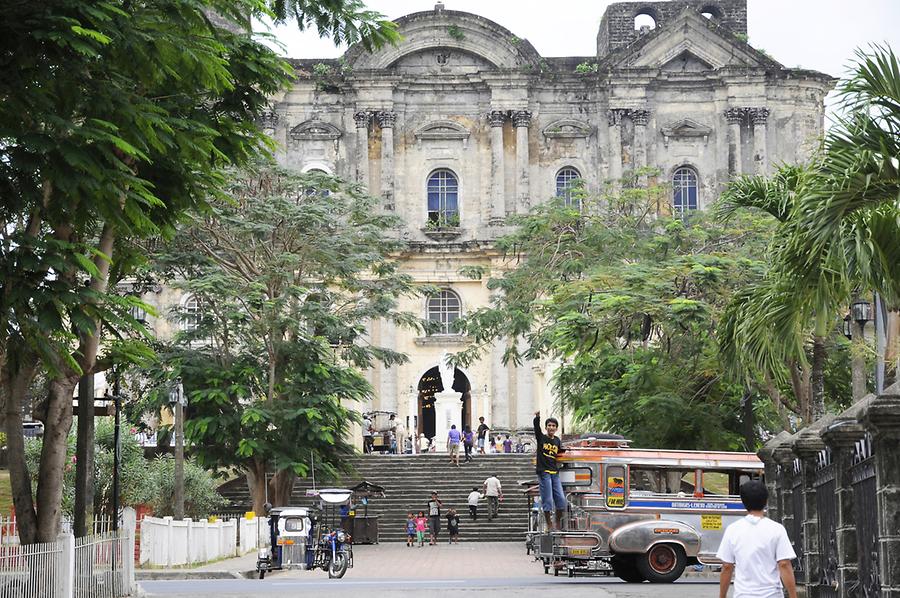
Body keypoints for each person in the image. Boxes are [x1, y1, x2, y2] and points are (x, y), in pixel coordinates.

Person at [716, 480, 797, 598]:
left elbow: (727, 567)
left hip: (743, 594)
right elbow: (784, 564)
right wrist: (793, 596)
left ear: (743, 502)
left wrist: (722, 596)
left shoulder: (733, 530)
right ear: (766, 501)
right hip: (771, 594)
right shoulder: (777, 529)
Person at [533, 410, 567, 530]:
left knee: (561, 500)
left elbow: (561, 452)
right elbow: (536, 428)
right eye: (549, 425)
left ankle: (557, 522)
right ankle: (549, 523)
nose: (551, 427)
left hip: (554, 473)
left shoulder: (557, 440)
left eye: (553, 426)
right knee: (547, 499)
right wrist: (537, 417)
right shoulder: (541, 438)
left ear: (556, 428)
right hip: (544, 472)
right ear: (546, 427)